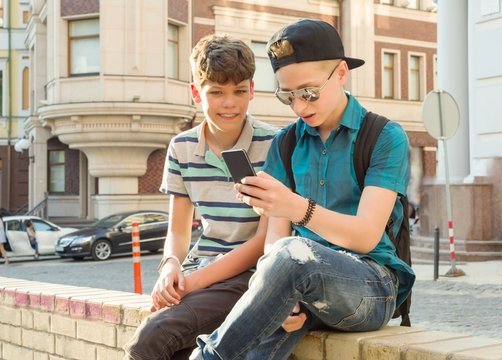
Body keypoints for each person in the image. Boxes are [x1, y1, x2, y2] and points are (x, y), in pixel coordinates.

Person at [190, 19, 416, 360]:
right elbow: (274, 240)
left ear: (341, 73)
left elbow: (366, 236)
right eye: (287, 96)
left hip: (370, 288)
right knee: (260, 343)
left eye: (309, 93)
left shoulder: (384, 136)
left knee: (293, 254)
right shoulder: (286, 142)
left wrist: (296, 208)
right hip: (299, 285)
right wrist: (288, 297)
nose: (299, 107)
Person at [123, 33, 278, 360]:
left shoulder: (275, 145)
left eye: (239, 91)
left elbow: (264, 241)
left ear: (252, 90)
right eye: (217, 92)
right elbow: (178, 230)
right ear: (196, 92)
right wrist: (170, 267)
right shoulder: (181, 147)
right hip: (199, 270)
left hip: (246, 279)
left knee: (150, 339)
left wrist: (190, 284)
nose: (230, 103)